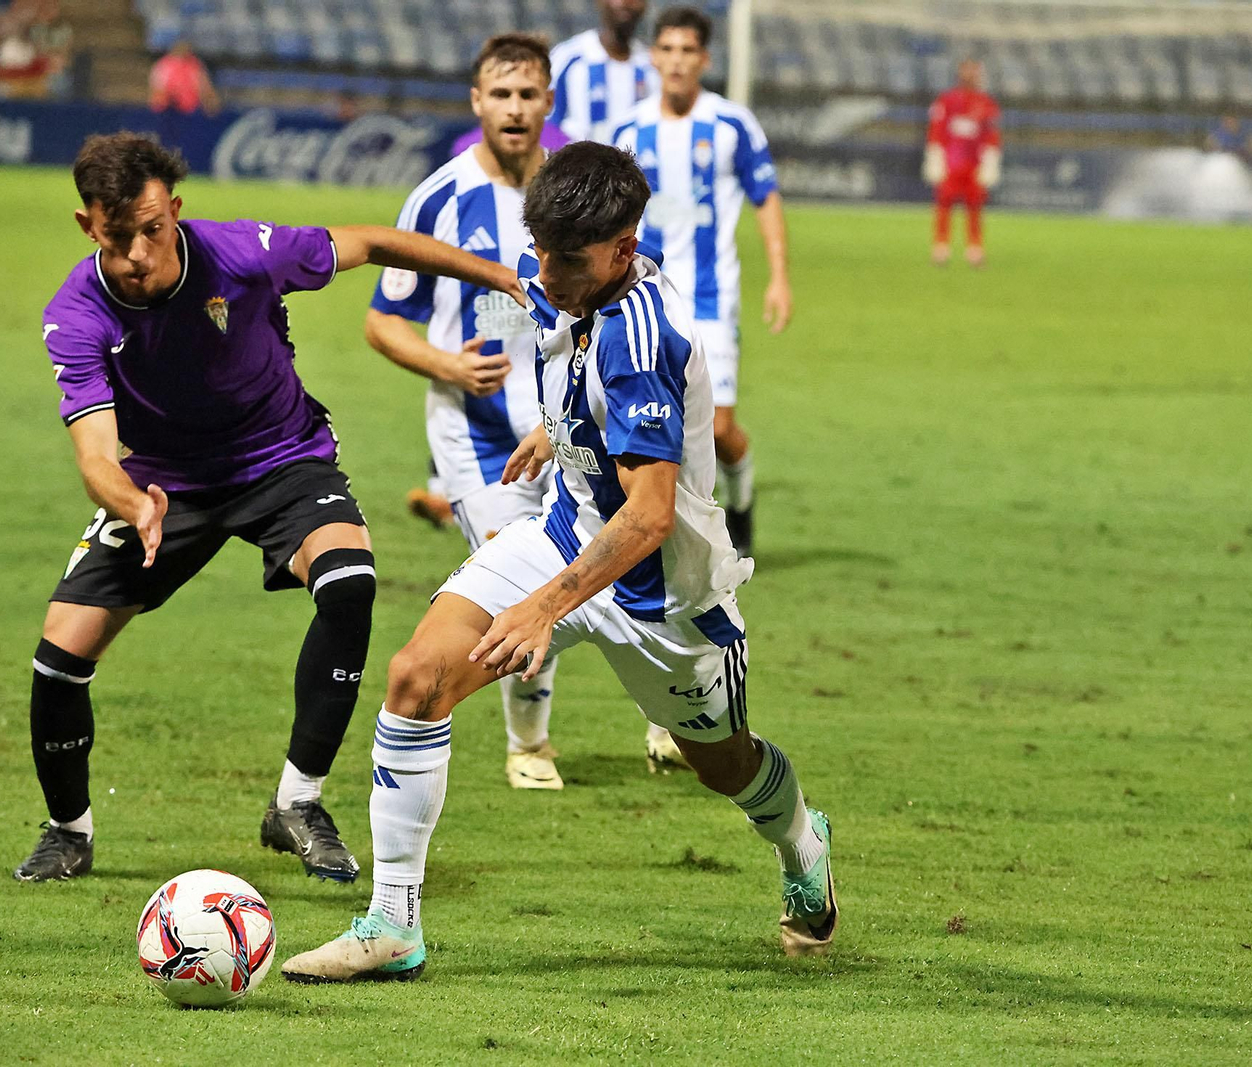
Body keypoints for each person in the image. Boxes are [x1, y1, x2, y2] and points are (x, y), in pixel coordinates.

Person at [279, 143, 838, 983]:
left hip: (666, 593)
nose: (544, 273)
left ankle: (802, 842)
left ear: (623, 249)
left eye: (566, 259)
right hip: (568, 529)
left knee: (723, 762)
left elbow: (649, 516)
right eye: (538, 249)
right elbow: (568, 355)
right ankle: (393, 922)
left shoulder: (645, 339)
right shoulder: (558, 272)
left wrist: (542, 607)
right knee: (415, 677)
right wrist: (568, 427)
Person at [15, 132, 522, 882]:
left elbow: (374, 242)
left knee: (349, 583)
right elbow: (96, 455)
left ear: (175, 212)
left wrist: (503, 276)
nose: (139, 253)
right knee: (60, 656)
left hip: (282, 457)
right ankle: (68, 830)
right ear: (89, 226)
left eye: (153, 230)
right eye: (118, 236)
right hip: (163, 486)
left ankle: (297, 803)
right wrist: (135, 504)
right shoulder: (77, 312)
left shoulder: (243, 253)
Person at [364, 34, 570, 791]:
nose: (515, 109)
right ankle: (531, 743)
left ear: (548, 101)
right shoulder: (441, 197)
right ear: (476, 102)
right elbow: (382, 321)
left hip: (569, 428)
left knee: (606, 576)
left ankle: (663, 709)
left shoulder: (573, 191)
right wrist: (447, 364)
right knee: (521, 589)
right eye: (500, 95)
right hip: (476, 437)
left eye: (528, 95)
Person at [610, 6, 789, 767]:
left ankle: (739, 493)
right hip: (651, 300)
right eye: (669, 49)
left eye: (690, 50)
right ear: (654, 57)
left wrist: (780, 274)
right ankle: (691, 541)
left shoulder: (734, 126)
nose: (678, 61)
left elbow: (766, 198)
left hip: (713, 303)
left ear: (704, 60)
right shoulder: (629, 132)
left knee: (717, 431)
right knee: (672, 455)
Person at [924, 58, 1001, 268]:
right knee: (944, 204)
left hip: (974, 163)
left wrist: (990, 160)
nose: (971, 75)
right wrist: (935, 156)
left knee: (975, 206)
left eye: (974, 71)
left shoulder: (986, 103)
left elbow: (991, 134)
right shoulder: (947, 100)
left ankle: (975, 249)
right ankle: (941, 247)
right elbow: (936, 128)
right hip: (951, 162)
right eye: (967, 71)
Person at [548, 0, 657, 144]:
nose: (625, 3)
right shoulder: (568, 57)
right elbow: (543, 126)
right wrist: (568, 159)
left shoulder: (651, 65)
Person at [148, 37, 219, 115]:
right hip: (169, 108)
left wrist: (209, 100)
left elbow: (204, 86)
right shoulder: (164, 65)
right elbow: (158, 88)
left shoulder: (194, 65)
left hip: (191, 108)